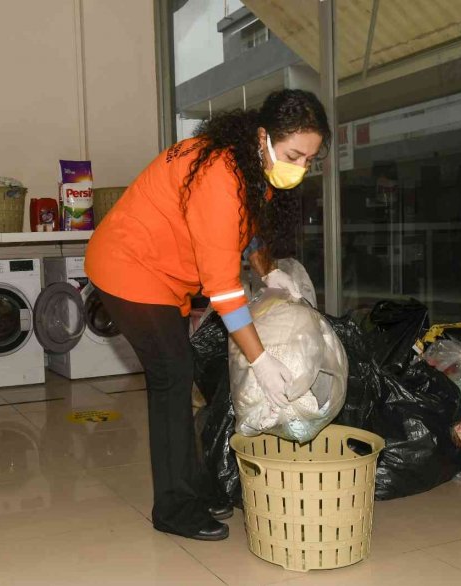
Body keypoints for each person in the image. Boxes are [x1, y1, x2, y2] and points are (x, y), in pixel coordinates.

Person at [85, 89, 331, 541]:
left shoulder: (250, 165)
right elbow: (223, 291)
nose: (300, 167)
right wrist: (260, 360)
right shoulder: (219, 175)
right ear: (263, 137)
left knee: (179, 373)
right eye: (294, 155)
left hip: (164, 272)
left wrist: (269, 272)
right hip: (129, 266)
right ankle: (175, 508)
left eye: (310, 159)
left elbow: (248, 228)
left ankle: (195, 485)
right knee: (172, 376)